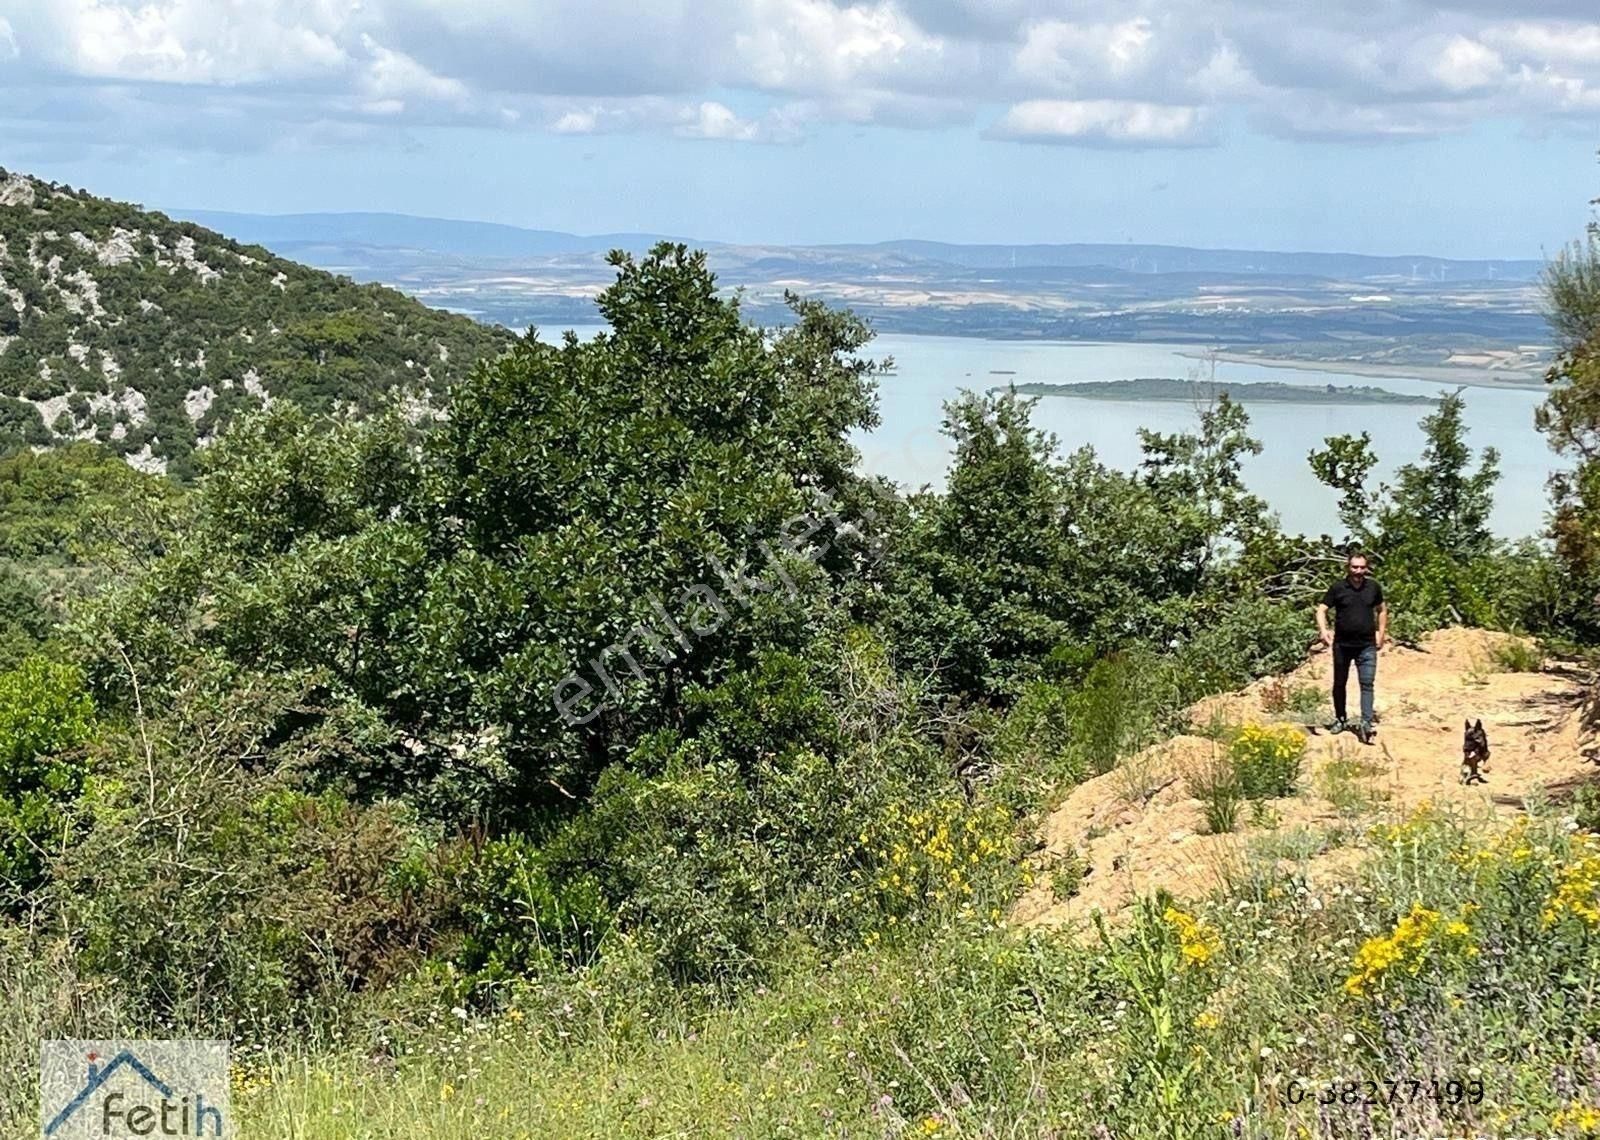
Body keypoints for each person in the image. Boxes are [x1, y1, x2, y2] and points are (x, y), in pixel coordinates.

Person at [1316, 552, 1387, 744]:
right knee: (1340, 683)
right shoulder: (1338, 588)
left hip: (1367, 645)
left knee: (1367, 683)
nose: (1358, 571)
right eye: (1355, 567)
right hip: (1342, 645)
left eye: (1362, 567)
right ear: (1348, 567)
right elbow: (1322, 609)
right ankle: (1340, 719)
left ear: (1367, 568)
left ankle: (1366, 723)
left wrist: (1382, 633)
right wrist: (1324, 630)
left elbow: (1381, 609)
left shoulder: (1373, 587)